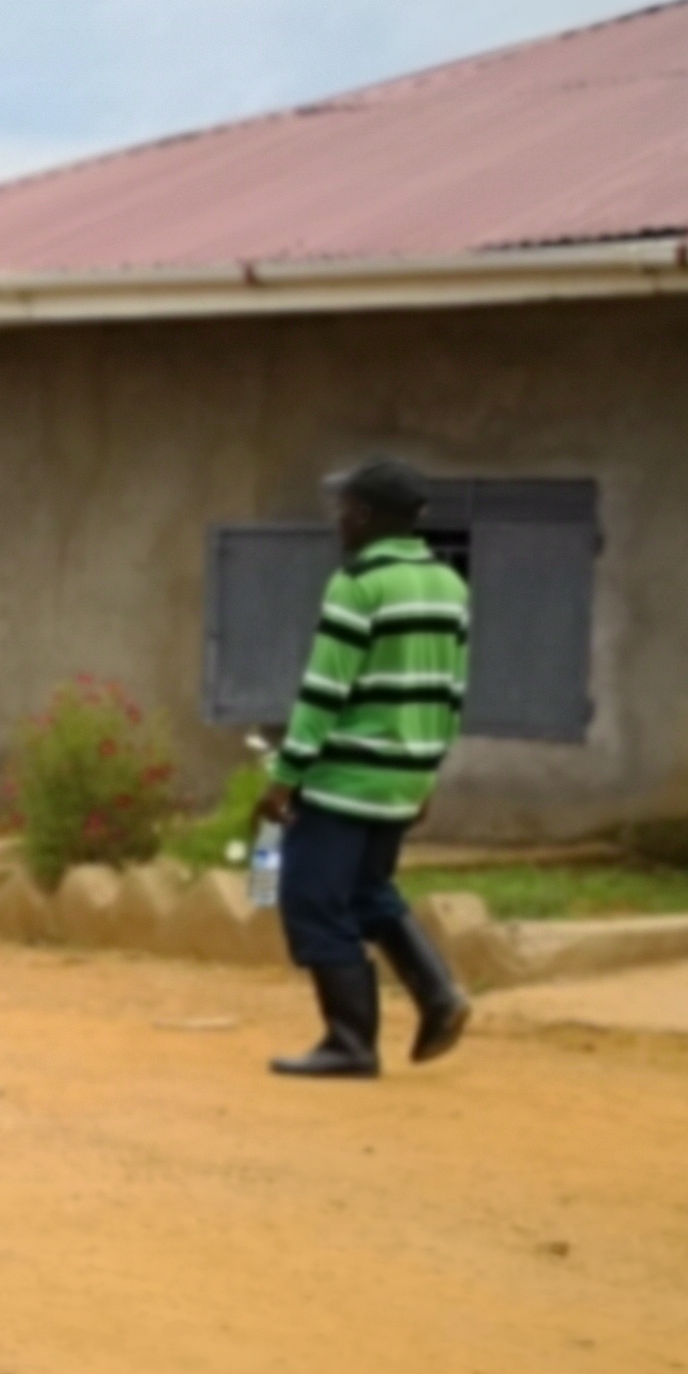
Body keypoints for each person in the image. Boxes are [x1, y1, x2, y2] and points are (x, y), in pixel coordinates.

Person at [258, 457, 474, 1079]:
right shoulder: (449, 585)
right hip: (404, 775)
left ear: (367, 515)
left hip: (348, 776)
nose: (337, 520)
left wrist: (286, 777)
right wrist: (428, 772)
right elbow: (451, 689)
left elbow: (325, 690)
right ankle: (438, 995)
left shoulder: (358, 584)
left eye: (345, 508)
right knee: (366, 893)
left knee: (310, 897)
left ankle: (350, 1041)